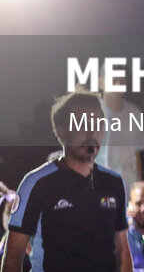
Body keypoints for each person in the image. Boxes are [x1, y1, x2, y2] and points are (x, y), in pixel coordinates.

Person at [2, 91, 131, 272]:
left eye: (97, 124)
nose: (91, 131)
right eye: (82, 124)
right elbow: (13, 257)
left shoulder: (114, 183)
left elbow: (123, 251)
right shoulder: (36, 183)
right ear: (62, 131)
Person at [98, 88, 144, 192]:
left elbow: (136, 153)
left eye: (122, 79)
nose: (118, 84)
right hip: (99, 181)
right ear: (100, 82)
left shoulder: (135, 113)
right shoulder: (90, 110)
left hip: (127, 183)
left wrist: (138, 185)